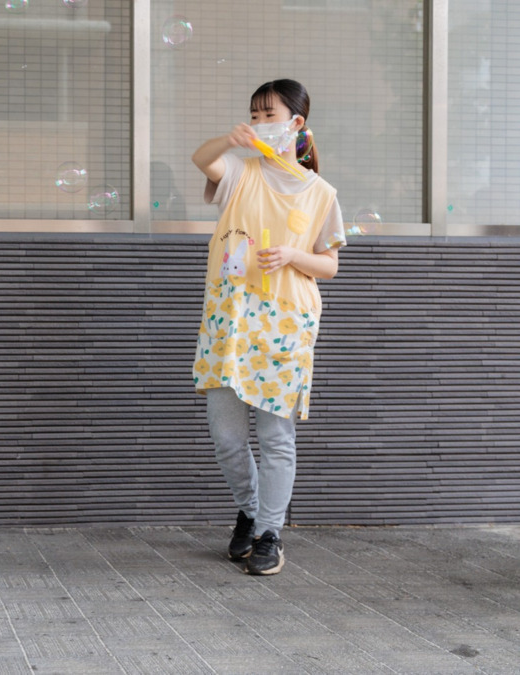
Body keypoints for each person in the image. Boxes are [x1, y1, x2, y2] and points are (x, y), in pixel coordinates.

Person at [190, 79, 344, 576]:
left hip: (285, 321)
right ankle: (252, 511)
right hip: (229, 319)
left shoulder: (321, 192)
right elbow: (201, 159)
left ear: (295, 123)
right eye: (253, 116)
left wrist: (295, 255)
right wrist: (229, 140)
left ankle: (269, 533)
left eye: (268, 115)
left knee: (276, 436)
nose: (259, 124)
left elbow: (330, 265)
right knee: (227, 437)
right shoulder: (239, 172)